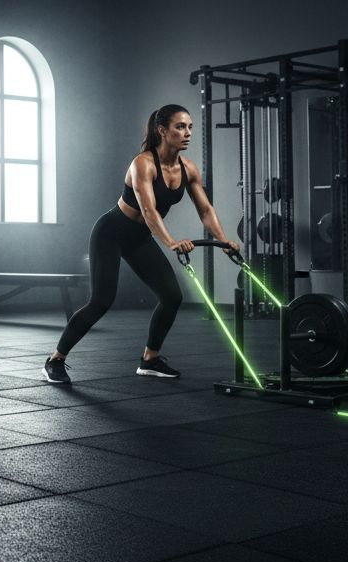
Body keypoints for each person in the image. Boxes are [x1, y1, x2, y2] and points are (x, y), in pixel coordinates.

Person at [43, 104, 237, 383]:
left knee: (172, 296)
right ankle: (55, 359)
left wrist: (224, 240)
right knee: (100, 301)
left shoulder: (188, 169)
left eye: (190, 127)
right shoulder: (143, 163)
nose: (187, 133)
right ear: (162, 130)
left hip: (139, 237)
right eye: (180, 127)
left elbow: (205, 209)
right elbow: (148, 210)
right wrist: (171, 242)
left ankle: (150, 359)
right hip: (111, 231)